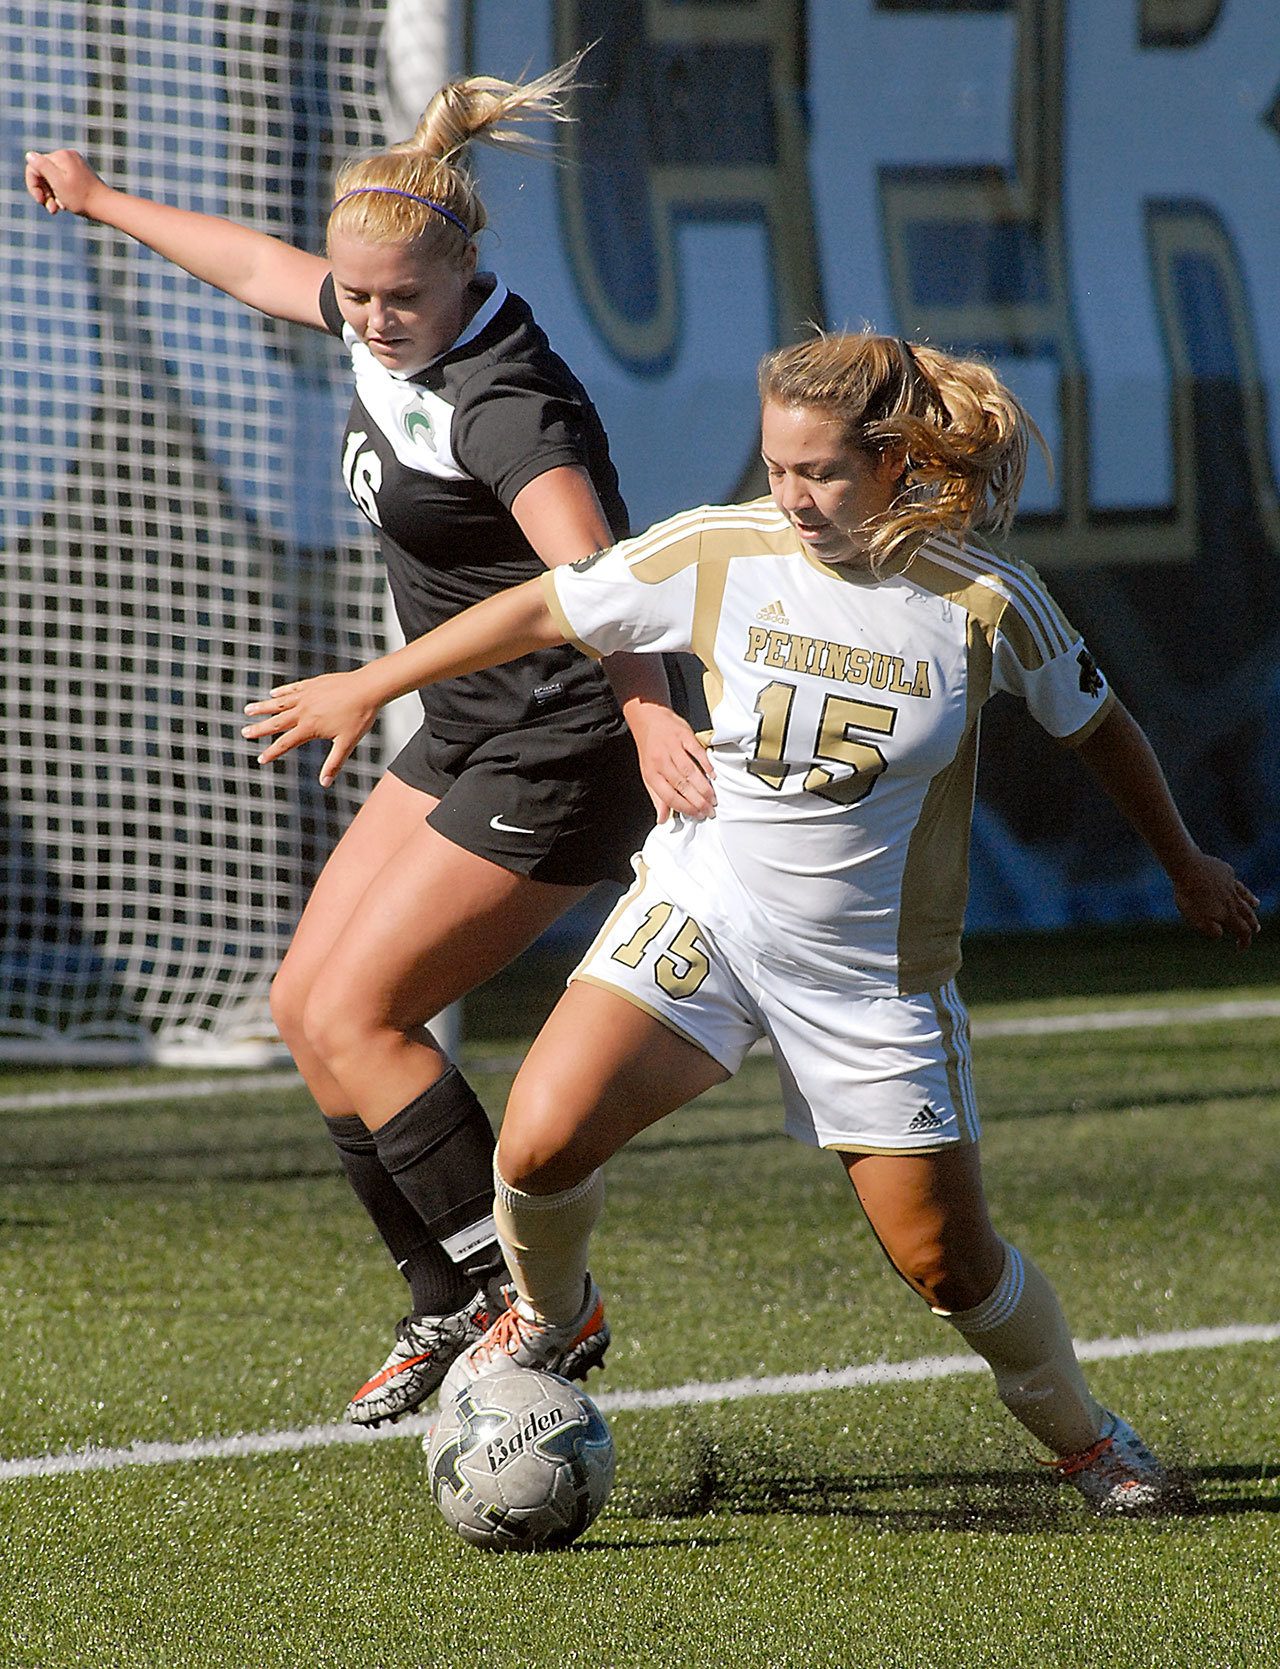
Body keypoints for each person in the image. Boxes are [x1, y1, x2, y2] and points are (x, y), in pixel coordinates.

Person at [242, 330, 1259, 1513]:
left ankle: (1088, 1441)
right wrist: (372, 682)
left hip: (867, 979)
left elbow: (1101, 728)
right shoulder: (720, 549)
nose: (791, 496)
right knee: (536, 1141)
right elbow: (542, 610)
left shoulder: (981, 600)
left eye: (820, 471)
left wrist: (1182, 860)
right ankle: (548, 1317)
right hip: (706, 911)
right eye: (775, 467)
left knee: (947, 1262)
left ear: (891, 461)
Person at [24, 57, 714, 1428]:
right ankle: (448, 1299)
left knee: (361, 1016)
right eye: (359, 296)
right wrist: (102, 201)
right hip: (472, 724)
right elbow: (264, 272)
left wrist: (646, 717)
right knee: (302, 1010)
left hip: (565, 743)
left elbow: (599, 584)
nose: (374, 319)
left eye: (404, 297)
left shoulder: (506, 399)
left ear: (464, 277)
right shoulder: (371, 311)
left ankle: (544, 1306)